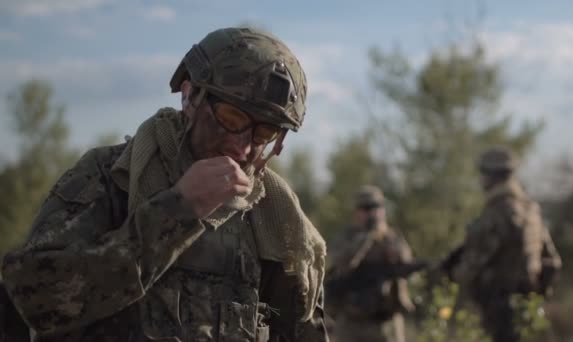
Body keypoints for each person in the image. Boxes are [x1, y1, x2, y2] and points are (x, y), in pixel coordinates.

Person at [1, 27, 328, 342]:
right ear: (190, 96)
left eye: (264, 133)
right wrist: (179, 210)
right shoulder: (113, 177)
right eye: (232, 119)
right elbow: (34, 300)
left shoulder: (277, 220)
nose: (242, 147)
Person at [441, 146, 562, 342]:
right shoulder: (531, 211)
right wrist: (535, 296)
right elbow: (553, 262)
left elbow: (471, 268)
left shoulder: (496, 214)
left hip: (499, 312)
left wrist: (449, 272)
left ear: (490, 176)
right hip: (528, 311)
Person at [326, 185, 422, 342]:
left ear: (383, 210)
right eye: (365, 208)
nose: (371, 213)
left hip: (387, 323)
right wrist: (365, 239)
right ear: (357, 212)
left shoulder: (393, 238)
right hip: (351, 323)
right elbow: (340, 266)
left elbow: (408, 270)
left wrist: (396, 255)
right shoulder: (347, 238)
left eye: (375, 207)